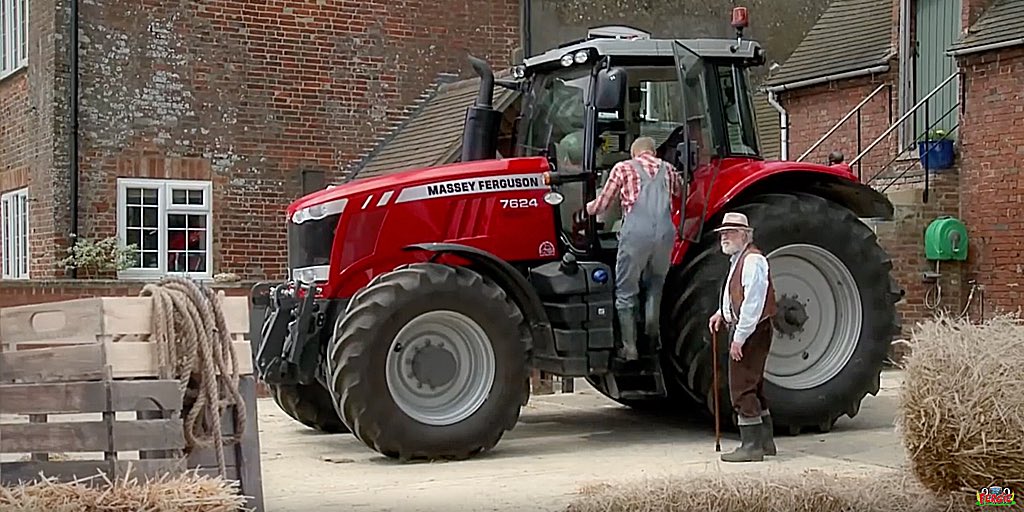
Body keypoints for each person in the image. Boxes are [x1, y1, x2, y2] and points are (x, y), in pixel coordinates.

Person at [584, 136, 683, 361]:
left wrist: (586, 208)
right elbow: (681, 191)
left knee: (626, 292)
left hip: (636, 235)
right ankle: (652, 335)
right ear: (653, 152)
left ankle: (630, 348)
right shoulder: (668, 169)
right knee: (656, 283)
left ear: (633, 153)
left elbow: (602, 204)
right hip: (666, 234)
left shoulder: (623, 168)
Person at [708, 212, 778, 463]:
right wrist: (722, 313)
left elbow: (753, 304)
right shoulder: (739, 259)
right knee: (754, 384)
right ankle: (765, 442)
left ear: (745, 235)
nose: (724, 237)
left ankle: (751, 446)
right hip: (747, 328)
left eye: (730, 232)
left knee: (741, 387)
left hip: (752, 330)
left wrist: (739, 338)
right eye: (723, 233)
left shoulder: (753, 261)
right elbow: (735, 294)